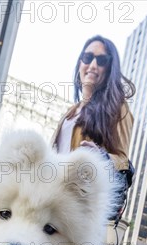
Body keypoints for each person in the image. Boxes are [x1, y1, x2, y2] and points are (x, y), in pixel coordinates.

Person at [51, 35, 135, 220]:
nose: (93, 65)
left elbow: (122, 159)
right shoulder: (70, 112)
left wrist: (100, 156)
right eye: (88, 58)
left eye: (102, 60)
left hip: (81, 204)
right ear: (80, 62)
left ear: (110, 68)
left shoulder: (118, 108)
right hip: (53, 196)